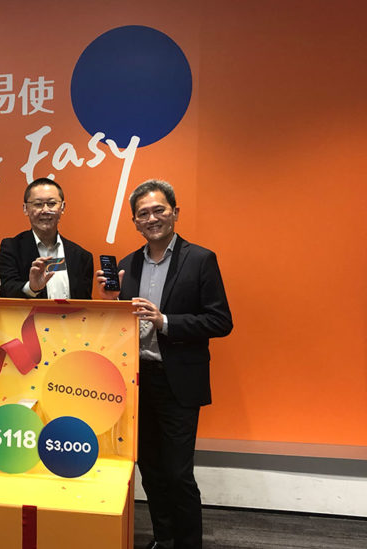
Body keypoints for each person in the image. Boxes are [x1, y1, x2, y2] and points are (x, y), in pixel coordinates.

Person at [97, 180, 232, 549]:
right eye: (143, 213)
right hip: (136, 383)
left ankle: (188, 543)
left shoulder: (200, 259)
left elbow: (220, 321)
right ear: (134, 221)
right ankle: (163, 537)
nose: (152, 218)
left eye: (159, 210)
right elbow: (117, 328)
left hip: (178, 383)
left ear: (175, 212)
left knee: (178, 473)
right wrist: (109, 301)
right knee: (151, 470)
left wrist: (165, 321)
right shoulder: (127, 265)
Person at [0, 177, 93, 299]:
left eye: (52, 204)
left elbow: (85, 304)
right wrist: (31, 288)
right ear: (25, 208)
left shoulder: (81, 257)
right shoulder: (12, 248)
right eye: (38, 204)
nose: (45, 210)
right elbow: (6, 290)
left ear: (62, 207)